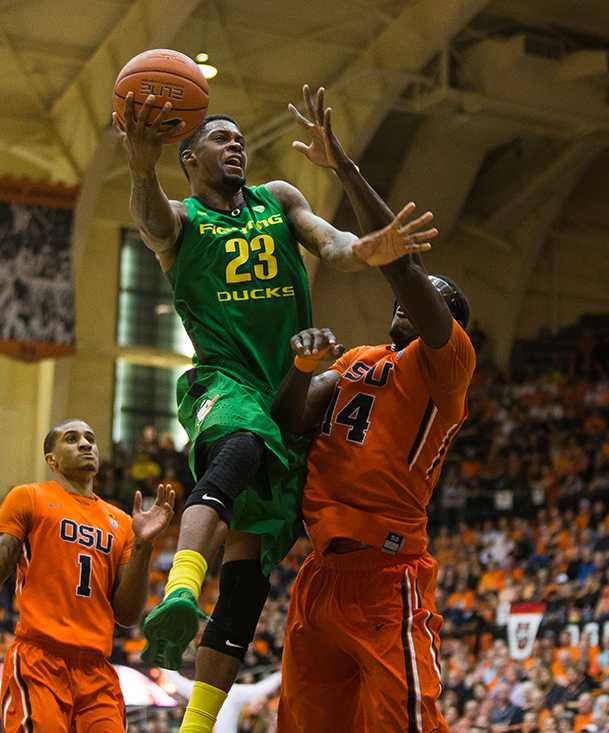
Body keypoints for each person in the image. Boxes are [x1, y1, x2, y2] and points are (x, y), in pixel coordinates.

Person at [116, 84, 435, 730]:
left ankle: (196, 725)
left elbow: (337, 244)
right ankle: (180, 588)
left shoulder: (279, 202)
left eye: (239, 140)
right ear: (190, 160)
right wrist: (138, 164)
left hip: (288, 397)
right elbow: (150, 221)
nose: (234, 146)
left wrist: (374, 249)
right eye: (219, 139)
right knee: (239, 443)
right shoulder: (183, 221)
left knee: (246, 579)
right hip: (225, 383)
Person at [270, 86, 475, 732]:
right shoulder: (357, 358)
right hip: (322, 576)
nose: (411, 298)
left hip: (390, 577)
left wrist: (347, 171)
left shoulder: (447, 364)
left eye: (428, 298)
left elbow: (404, 269)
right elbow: (288, 419)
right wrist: (301, 372)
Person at [0, 419, 175, 733]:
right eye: (72, 438)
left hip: (97, 670)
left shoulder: (121, 521)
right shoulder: (28, 498)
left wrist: (144, 546)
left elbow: (128, 615)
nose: (85, 444)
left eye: (90, 438)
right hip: (40, 660)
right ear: (51, 459)